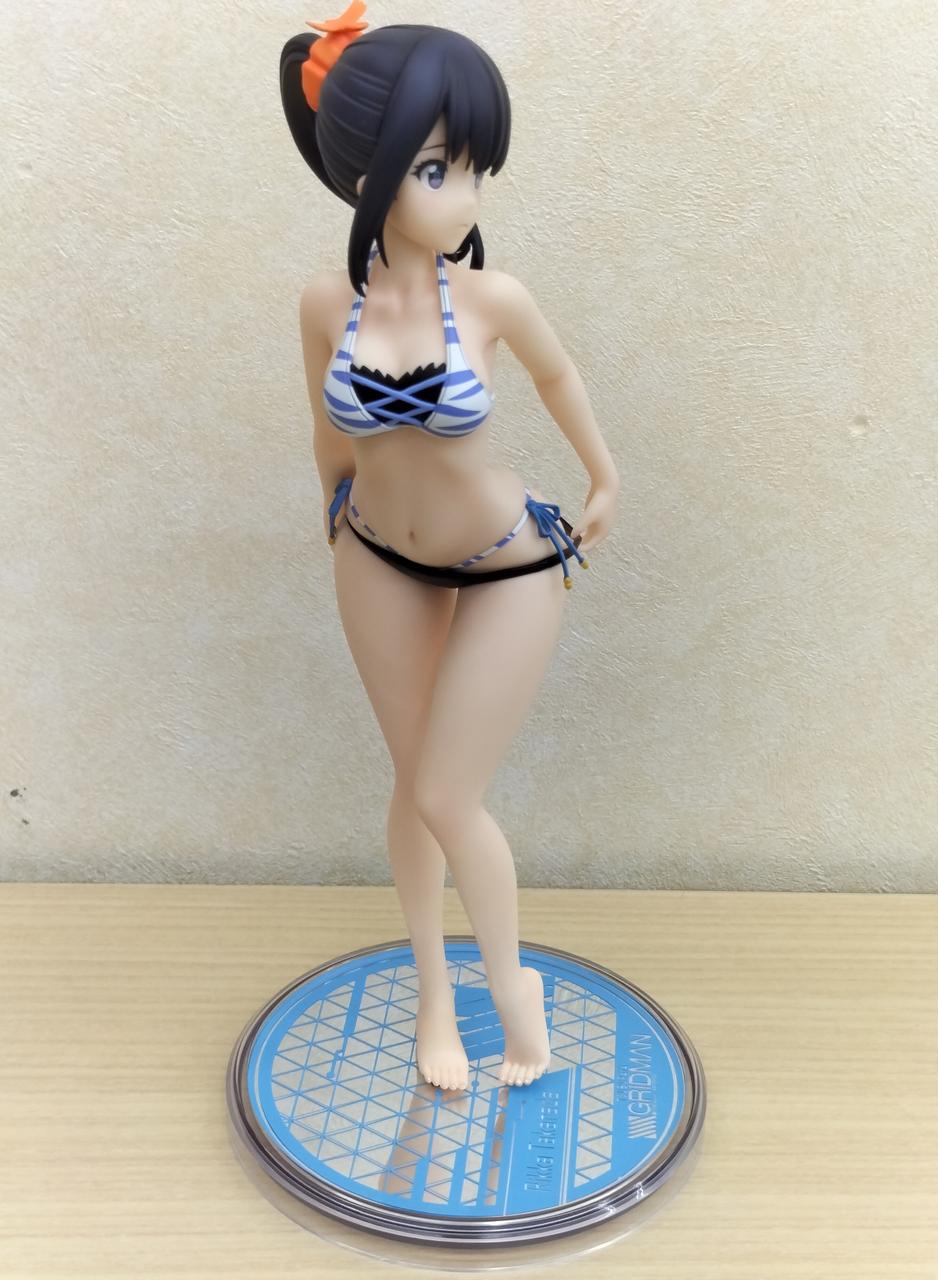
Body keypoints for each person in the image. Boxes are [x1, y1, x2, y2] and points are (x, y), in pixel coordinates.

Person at [280, 1, 619, 1090]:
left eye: (474, 170)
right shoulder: (325, 303)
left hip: (507, 560)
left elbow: (558, 375)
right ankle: (435, 992)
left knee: (446, 792)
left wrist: (604, 477)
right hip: (376, 556)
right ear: (368, 173)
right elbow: (327, 428)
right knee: (413, 782)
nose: (464, 197)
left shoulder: (493, 298)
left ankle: (511, 989)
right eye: (437, 170)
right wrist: (330, 502)